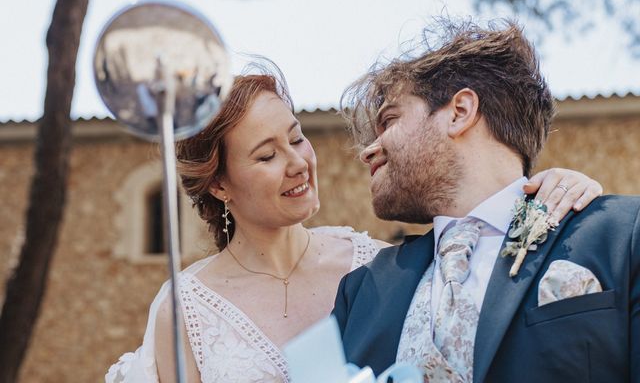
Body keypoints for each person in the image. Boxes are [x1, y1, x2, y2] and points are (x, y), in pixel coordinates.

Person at [105, 64, 601, 383]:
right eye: (266, 155)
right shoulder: (184, 307)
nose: (298, 162)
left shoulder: (378, 268)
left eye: (296, 139)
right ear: (220, 186)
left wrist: (550, 187)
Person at [333, 20, 639, 383]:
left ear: (460, 112)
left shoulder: (623, 235)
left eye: (390, 120)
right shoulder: (361, 290)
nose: (369, 150)